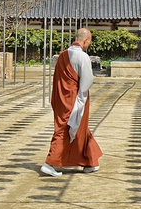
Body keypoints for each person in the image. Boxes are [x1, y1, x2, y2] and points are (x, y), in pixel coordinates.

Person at [41, 28, 103, 176]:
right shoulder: (82, 56)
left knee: (80, 129)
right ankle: (50, 163)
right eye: (89, 42)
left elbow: (58, 79)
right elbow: (87, 82)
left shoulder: (63, 55)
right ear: (85, 40)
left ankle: (89, 161)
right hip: (75, 99)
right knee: (65, 130)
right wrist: (81, 99)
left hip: (62, 97)